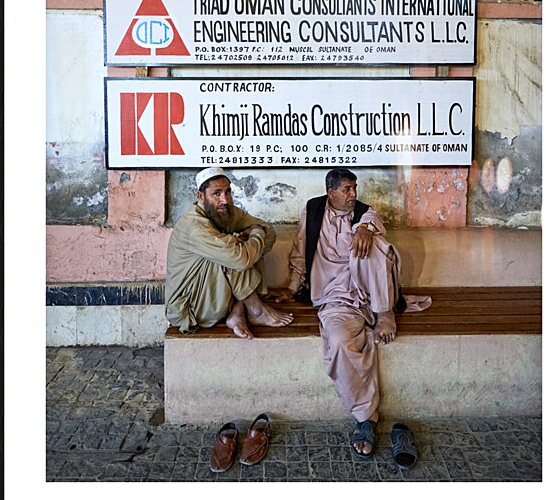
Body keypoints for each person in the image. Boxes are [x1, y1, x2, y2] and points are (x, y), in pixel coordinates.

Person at [267, 167, 410, 460]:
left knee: (375, 244)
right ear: (331, 192)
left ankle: (384, 314)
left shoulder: (365, 213)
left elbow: (372, 222)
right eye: (346, 189)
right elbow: (300, 251)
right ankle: (366, 416)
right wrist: (292, 288)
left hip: (370, 293)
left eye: (354, 188)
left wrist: (365, 229)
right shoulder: (313, 210)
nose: (353, 194)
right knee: (340, 341)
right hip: (334, 297)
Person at [165, 166, 293, 339]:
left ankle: (237, 312)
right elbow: (241, 258)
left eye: (227, 192)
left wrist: (251, 242)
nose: (224, 200)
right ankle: (257, 311)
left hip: (216, 298)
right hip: (191, 308)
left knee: (245, 250)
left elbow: (267, 231)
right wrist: (251, 237)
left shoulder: (225, 212)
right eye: (216, 193)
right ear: (201, 196)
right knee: (236, 255)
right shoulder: (194, 226)